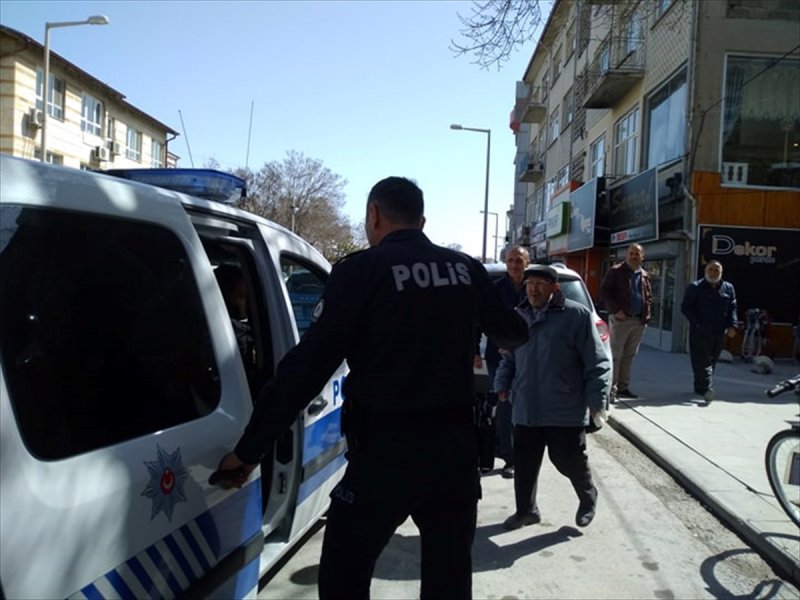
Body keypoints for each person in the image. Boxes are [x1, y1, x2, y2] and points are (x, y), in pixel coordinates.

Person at [215, 176, 527, 599]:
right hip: (453, 452)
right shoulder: (465, 269)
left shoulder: (361, 271)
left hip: (384, 454)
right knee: (449, 575)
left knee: (345, 572)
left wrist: (249, 451)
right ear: (422, 220)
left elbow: (306, 368)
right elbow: (513, 333)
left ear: (374, 214)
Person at [494, 264, 610, 530]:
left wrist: (596, 401)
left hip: (565, 405)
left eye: (540, 284)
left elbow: (597, 362)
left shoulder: (576, 316)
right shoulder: (518, 315)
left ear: (554, 288)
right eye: (529, 283)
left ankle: (588, 496)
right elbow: (509, 356)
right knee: (524, 464)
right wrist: (502, 381)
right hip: (526, 404)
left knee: (568, 459)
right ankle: (526, 511)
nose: (533, 289)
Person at [474, 245, 529, 479]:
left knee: (526, 404)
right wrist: (475, 350)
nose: (515, 264)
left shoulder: (536, 287)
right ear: (506, 262)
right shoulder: (495, 290)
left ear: (527, 262)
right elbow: (479, 319)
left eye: (519, 260)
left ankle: (527, 452)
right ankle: (510, 457)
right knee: (506, 404)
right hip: (501, 356)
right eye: (511, 260)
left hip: (530, 355)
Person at [599, 243, 652, 402]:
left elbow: (648, 296)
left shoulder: (644, 274)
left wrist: (647, 315)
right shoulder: (616, 271)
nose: (634, 256)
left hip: (638, 321)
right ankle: (611, 390)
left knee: (629, 355)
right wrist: (616, 311)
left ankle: (623, 387)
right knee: (616, 355)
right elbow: (605, 292)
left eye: (637, 254)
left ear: (642, 256)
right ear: (627, 255)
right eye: (631, 253)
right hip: (621, 320)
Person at [680, 261, 738, 403]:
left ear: (721, 273)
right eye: (710, 269)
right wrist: (697, 323)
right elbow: (685, 308)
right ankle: (707, 389)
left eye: (716, 270)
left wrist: (733, 326)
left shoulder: (728, 288)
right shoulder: (695, 287)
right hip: (699, 332)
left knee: (712, 361)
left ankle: (700, 387)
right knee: (702, 360)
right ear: (706, 271)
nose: (713, 273)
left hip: (718, 332)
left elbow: (733, 307)